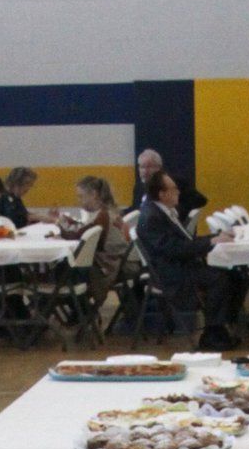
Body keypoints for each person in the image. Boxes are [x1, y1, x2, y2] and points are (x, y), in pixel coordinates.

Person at [136, 169, 239, 350]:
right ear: (162, 194)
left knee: (234, 275)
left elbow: (184, 242)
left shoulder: (163, 211)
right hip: (171, 275)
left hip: (180, 266)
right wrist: (211, 242)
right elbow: (174, 249)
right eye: (174, 189)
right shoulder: (151, 218)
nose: (178, 192)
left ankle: (219, 329)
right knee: (220, 278)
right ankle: (213, 334)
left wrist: (213, 237)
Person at [74, 174, 131, 303]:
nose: (78, 200)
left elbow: (81, 236)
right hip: (117, 261)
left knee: (69, 268)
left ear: (93, 194)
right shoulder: (106, 211)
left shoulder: (102, 216)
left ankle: (78, 310)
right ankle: (81, 311)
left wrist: (60, 228)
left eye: (81, 196)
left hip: (111, 266)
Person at [131, 148, 206, 218]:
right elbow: (135, 209)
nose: (145, 171)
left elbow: (200, 200)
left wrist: (174, 211)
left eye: (149, 167)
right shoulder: (139, 187)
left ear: (159, 168)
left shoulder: (175, 182)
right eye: (142, 167)